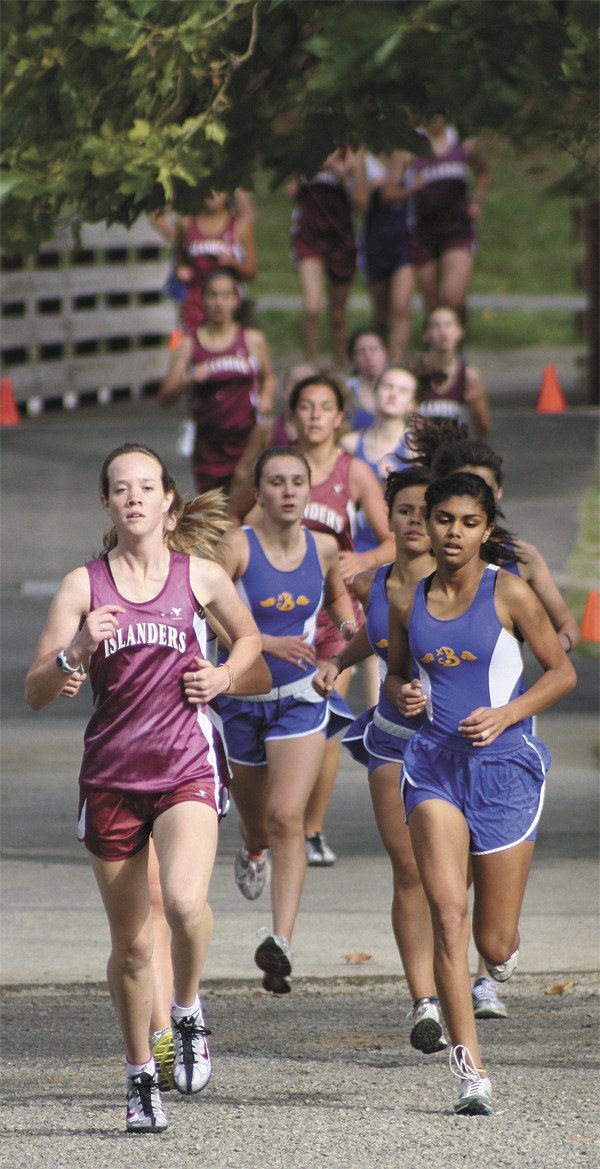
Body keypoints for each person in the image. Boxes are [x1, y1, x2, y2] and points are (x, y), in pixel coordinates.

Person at [24, 443, 264, 1134]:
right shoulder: (82, 586)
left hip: (185, 762)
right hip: (110, 778)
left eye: (146, 486)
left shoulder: (203, 577)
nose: (133, 497)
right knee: (131, 944)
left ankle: (186, 1009)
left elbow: (250, 645)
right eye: (120, 488)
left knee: (185, 899)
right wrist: (74, 653)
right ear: (107, 503)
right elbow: (38, 690)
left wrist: (221, 677)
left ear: (169, 502)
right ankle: (138, 1075)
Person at [385, 472, 576, 1115]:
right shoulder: (407, 599)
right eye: (443, 520)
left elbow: (563, 671)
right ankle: (469, 1069)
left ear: (486, 530)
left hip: (503, 770)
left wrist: (507, 713)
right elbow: (396, 682)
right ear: (427, 525)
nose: (453, 533)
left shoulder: (510, 593)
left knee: (493, 941)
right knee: (447, 913)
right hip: (433, 766)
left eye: (468, 522)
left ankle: (499, 961)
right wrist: (405, 696)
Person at [313, 467, 449, 1053]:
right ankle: (425, 1001)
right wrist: (339, 661)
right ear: (387, 521)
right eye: (404, 512)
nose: (415, 521)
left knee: (453, 878)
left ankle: (469, 974)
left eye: (426, 511)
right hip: (393, 737)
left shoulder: (472, 583)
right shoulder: (375, 583)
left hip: (457, 743)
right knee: (409, 868)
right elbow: (377, 637)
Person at [217, 448, 357, 993]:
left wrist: (346, 640)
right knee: (257, 826)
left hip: (300, 698)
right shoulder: (236, 548)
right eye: (277, 482)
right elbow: (204, 608)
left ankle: (280, 941)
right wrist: (261, 641)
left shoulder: (323, 547)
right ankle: (251, 851)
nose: (291, 491)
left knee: (285, 818)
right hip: (240, 702)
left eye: (299, 481)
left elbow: (341, 602)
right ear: (259, 491)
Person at [287, 374, 395, 864]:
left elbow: (395, 537)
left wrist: (365, 562)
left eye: (324, 407)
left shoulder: (354, 472)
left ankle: (311, 829)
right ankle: (276, 821)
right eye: (305, 406)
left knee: (326, 715)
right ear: (292, 416)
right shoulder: (276, 467)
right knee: (279, 718)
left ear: (339, 417)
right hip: (280, 613)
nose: (314, 415)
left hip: (336, 613)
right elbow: (231, 521)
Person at [341, 366, 419, 706]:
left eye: (401, 390)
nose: (391, 393)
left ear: (412, 402)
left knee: (385, 638)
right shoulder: (348, 443)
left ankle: (381, 713)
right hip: (350, 555)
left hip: (397, 556)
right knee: (355, 639)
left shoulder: (415, 450)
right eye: (386, 385)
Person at [159, 268, 276, 494]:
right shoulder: (188, 344)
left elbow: (268, 376)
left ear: (236, 300)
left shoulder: (252, 339)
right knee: (214, 515)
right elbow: (165, 397)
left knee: (246, 508)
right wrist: (189, 379)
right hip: (208, 444)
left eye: (226, 296)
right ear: (202, 300)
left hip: (246, 438)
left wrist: (266, 397)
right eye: (212, 295)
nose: (219, 303)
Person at [407, 114, 489, 321]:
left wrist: (476, 202)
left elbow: (484, 171)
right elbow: (394, 183)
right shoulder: (413, 147)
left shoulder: (462, 143)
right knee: (433, 305)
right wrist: (409, 187)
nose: (433, 119)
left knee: (452, 298)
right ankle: (436, 349)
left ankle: (458, 345)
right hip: (424, 231)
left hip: (457, 230)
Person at [288, 148, 357, 372]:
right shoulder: (309, 148)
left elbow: (362, 202)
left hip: (340, 238)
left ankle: (341, 372)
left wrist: (343, 176)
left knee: (337, 315)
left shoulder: (351, 155)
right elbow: (291, 190)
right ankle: (311, 366)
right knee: (312, 307)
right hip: (309, 236)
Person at [352, 148, 421, 363]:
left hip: (404, 241)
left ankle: (399, 366)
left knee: (400, 308)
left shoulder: (409, 152)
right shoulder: (363, 157)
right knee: (381, 314)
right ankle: (377, 361)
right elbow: (363, 203)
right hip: (375, 241)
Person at [227, 360, 317, 521]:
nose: (302, 390)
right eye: (296, 384)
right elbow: (242, 473)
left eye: (309, 384)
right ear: (284, 390)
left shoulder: (332, 433)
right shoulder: (268, 429)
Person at [174, 189, 257, 333]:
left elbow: (252, 272)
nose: (213, 195)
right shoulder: (187, 224)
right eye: (208, 189)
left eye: (219, 190)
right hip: (195, 303)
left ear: (227, 193)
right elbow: (180, 261)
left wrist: (233, 262)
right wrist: (182, 271)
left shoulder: (239, 226)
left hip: (228, 305)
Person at [411, 305, 491, 438]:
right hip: (418, 452)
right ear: (425, 335)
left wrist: (476, 408)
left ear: (460, 332)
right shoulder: (412, 373)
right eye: (436, 326)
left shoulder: (469, 376)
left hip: (455, 453)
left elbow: (484, 431)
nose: (443, 331)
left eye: (449, 325)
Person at [344, 327, 389, 430]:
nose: (368, 356)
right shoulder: (345, 391)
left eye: (374, 349)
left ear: (385, 354)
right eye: (361, 352)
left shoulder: (400, 387)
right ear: (352, 360)